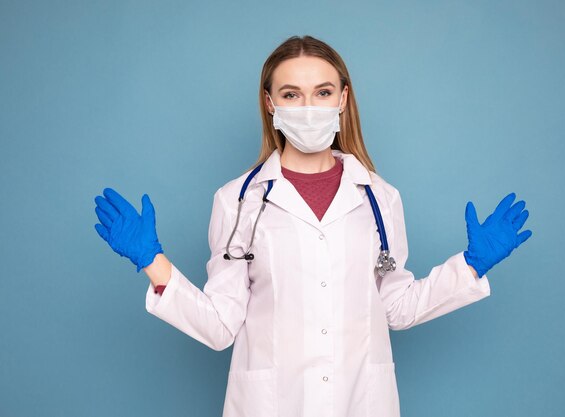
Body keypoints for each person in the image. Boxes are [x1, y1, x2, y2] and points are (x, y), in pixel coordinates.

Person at [93, 35, 532, 417]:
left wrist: (471, 267)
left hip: (362, 401)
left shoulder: (380, 197)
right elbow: (219, 327)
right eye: (291, 94)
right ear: (270, 104)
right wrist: (154, 263)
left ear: (343, 97)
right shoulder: (238, 201)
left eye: (322, 93)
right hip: (272, 404)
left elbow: (396, 307)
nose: (308, 107)